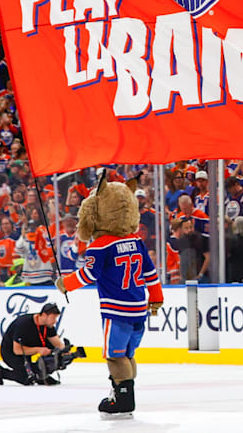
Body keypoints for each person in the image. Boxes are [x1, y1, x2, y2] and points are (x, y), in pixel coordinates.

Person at [57, 180, 163, 419]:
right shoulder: (136, 241)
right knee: (128, 355)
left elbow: (88, 274)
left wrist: (66, 283)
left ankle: (123, 398)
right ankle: (122, 392)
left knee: (115, 355)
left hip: (117, 311)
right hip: (138, 308)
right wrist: (156, 298)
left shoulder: (99, 246)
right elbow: (150, 273)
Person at [0, 303, 68, 385]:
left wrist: (64, 351)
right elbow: (17, 350)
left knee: (53, 353)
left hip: (27, 353)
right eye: (53, 318)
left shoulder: (48, 326)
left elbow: (57, 343)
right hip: (10, 353)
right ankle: (1, 371)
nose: (55, 321)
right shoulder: (23, 324)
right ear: (44, 315)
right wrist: (38, 350)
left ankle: (39, 375)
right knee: (27, 378)